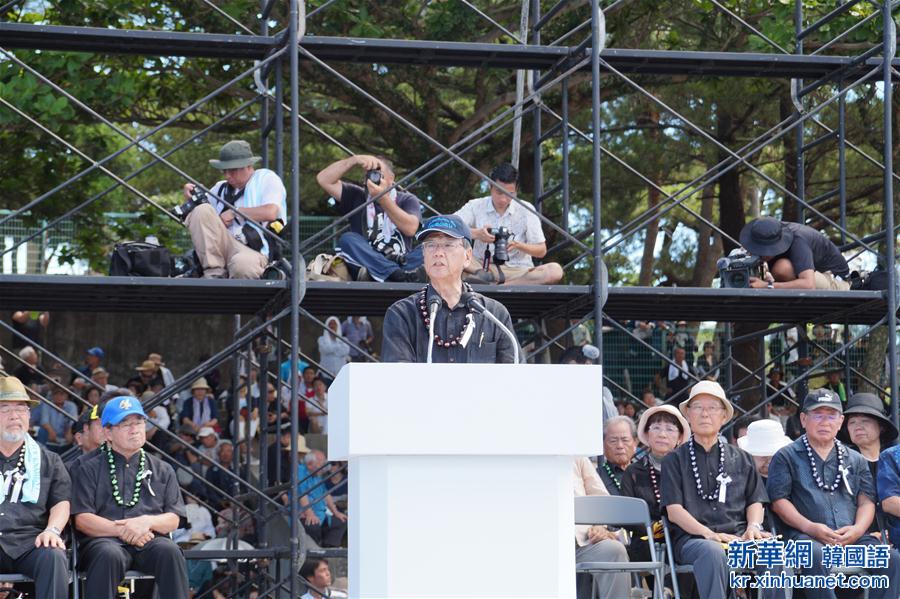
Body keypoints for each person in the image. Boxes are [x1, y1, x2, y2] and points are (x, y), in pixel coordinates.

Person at [768, 389, 900, 598]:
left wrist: (857, 530)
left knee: (891, 559)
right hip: (806, 537)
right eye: (817, 415)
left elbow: (866, 501)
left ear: (840, 422)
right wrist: (810, 527)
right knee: (814, 553)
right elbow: (778, 501)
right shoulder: (787, 456)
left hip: (852, 539)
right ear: (803, 419)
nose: (825, 422)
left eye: (831, 416)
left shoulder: (855, 459)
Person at [660, 381, 770, 599]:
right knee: (712, 552)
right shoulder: (674, 459)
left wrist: (753, 527)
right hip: (694, 540)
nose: (704, 414)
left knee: (774, 554)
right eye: (698, 407)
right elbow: (674, 510)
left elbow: (755, 500)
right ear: (688, 415)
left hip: (739, 538)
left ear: (723, 417)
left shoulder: (742, 457)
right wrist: (709, 534)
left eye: (712, 408)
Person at [72, 396, 190, 599]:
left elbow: (174, 518)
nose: (134, 429)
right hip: (103, 540)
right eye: (125, 424)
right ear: (107, 432)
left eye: (138, 422)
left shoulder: (163, 468)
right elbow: (82, 520)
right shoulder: (87, 468)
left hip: (150, 538)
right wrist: (125, 529)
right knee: (108, 554)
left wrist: (146, 522)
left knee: (170, 551)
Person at [382, 214, 520, 363]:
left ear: (467, 257)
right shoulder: (402, 314)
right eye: (431, 245)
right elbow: (398, 379)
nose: (438, 252)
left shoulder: (494, 314)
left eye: (448, 245)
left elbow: (514, 378)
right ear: (423, 254)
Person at [0, 377, 71, 599]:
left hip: (30, 541)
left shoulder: (49, 460)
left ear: (29, 416)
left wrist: (52, 530)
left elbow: (61, 502)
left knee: (54, 556)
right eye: (5, 409)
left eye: (21, 409)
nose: (14, 416)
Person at [181, 140, 286, 279]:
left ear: (249, 165)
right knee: (201, 209)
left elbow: (270, 212)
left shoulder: (266, 179)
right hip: (221, 248)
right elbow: (196, 219)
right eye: (224, 170)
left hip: (254, 250)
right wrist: (190, 197)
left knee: (241, 266)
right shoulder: (220, 187)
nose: (227, 176)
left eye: (232, 170)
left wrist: (235, 212)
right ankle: (214, 273)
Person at [316, 154, 424, 282]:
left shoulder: (406, 199)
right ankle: (393, 274)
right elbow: (323, 179)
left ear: (391, 178)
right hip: (368, 263)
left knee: (431, 247)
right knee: (347, 239)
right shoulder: (357, 195)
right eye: (370, 174)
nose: (374, 178)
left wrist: (383, 198)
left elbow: (411, 229)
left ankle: (390, 274)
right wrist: (353, 160)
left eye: (378, 173)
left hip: (403, 262)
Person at [454, 162, 563, 285]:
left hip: (518, 271)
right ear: (490, 186)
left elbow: (541, 250)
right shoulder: (476, 205)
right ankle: (485, 277)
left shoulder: (526, 208)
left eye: (510, 194)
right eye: (499, 192)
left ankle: (503, 286)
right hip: (480, 268)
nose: (503, 199)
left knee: (555, 271)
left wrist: (518, 245)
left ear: (516, 190)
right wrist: (477, 234)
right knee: (446, 245)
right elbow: (447, 226)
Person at [621, 405, 691, 594]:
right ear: (647, 434)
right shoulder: (633, 472)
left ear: (679, 438)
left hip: (684, 536)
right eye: (656, 427)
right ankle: (666, 591)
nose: (662, 434)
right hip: (648, 539)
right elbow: (627, 515)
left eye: (670, 429)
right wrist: (653, 526)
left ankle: (667, 591)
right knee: (659, 547)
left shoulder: (689, 470)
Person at [573, 456, 630, 599]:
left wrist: (599, 525)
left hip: (581, 543)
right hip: (535, 545)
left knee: (614, 550)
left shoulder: (576, 456)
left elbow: (600, 497)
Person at [741, 217, 850, 290]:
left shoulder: (797, 240)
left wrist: (766, 285)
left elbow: (809, 285)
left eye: (762, 250)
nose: (758, 253)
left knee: (782, 268)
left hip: (836, 281)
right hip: (810, 275)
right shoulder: (768, 232)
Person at [297, 450, 347, 547]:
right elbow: (301, 494)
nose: (324, 467)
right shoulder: (300, 471)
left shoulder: (317, 475)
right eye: (321, 464)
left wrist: (336, 512)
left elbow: (326, 494)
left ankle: (329, 548)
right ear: (310, 464)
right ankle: (315, 551)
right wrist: (310, 514)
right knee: (313, 526)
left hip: (321, 514)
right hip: (304, 514)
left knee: (341, 521)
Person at [597, 416, 637, 496]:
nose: (620, 446)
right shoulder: (596, 476)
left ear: (635, 443)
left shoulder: (645, 473)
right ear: (603, 445)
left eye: (625, 440)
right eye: (613, 441)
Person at [317, 316, 350, 382]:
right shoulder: (321, 339)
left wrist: (330, 349)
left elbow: (345, 351)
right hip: (326, 373)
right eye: (330, 324)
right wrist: (337, 347)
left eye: (334, 324)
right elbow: (324, 350)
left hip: (340, 373)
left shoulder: (344, 339)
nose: (332, 326)